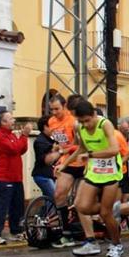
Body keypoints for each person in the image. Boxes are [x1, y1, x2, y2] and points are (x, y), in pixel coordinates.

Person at [56, 101, 125, 257]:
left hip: (110, 172)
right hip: (94, 172)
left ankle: (116, 244)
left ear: (94, 114)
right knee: (82, 206)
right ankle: (112, 209)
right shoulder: (80, 127)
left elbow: (114, 150)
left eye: (87, 120)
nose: (85, 125)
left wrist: (91, 155)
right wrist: (64, 164)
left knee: (106, 214)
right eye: (81, 121)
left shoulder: (104, 124)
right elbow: (81, 148)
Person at [0, 110, 30, 245]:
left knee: (17, 206)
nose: (14, 121)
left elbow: (22, 149)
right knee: (2, 207)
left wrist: (23, 138)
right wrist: (23, 136)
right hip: (4, 177)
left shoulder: (11, 135)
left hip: (16, 176)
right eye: (10, 119)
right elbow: (13, 148)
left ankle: (16, 231)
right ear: (3, 122)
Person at [47, 94, 83, 248]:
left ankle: (86, 232)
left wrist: (62, 151)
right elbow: (59, 141)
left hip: (81, 162)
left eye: (57, 109)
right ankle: (66, 232)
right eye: (51, 109)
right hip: (66, 163)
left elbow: (81, 145)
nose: (54, 112)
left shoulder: (74, 121)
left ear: (65, 106)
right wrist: (56, 147)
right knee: (58, 194)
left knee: (81, 201)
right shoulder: (51, 122)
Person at [32, 115, 61, 199]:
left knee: (49, 203)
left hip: (49, 175)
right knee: (56, 198)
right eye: (53, 125)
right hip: (43, 176)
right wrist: (57, 150)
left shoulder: (50, 139)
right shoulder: (40, 141)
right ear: (45, 127)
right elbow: (45, 158)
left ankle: (42, 212)